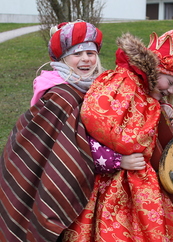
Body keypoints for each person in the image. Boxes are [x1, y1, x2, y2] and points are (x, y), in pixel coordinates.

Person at [61, 28, 173, 241]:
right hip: (111, 182)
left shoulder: (148, 93)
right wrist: (119, 160)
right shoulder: (122, 82)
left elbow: (146, 128)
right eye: (172, 83)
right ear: (156, 68)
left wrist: (167, 124)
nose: (172, 91)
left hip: (141, 183)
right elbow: (96, 120)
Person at [0, 19, 111, 242]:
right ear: (62, 58)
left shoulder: (100, 86)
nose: (86, 59)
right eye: (77, 54)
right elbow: (66, 146)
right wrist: (116, 160)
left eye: (90, 52)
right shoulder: (61, 95)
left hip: (96, 178)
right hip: (60, 172)